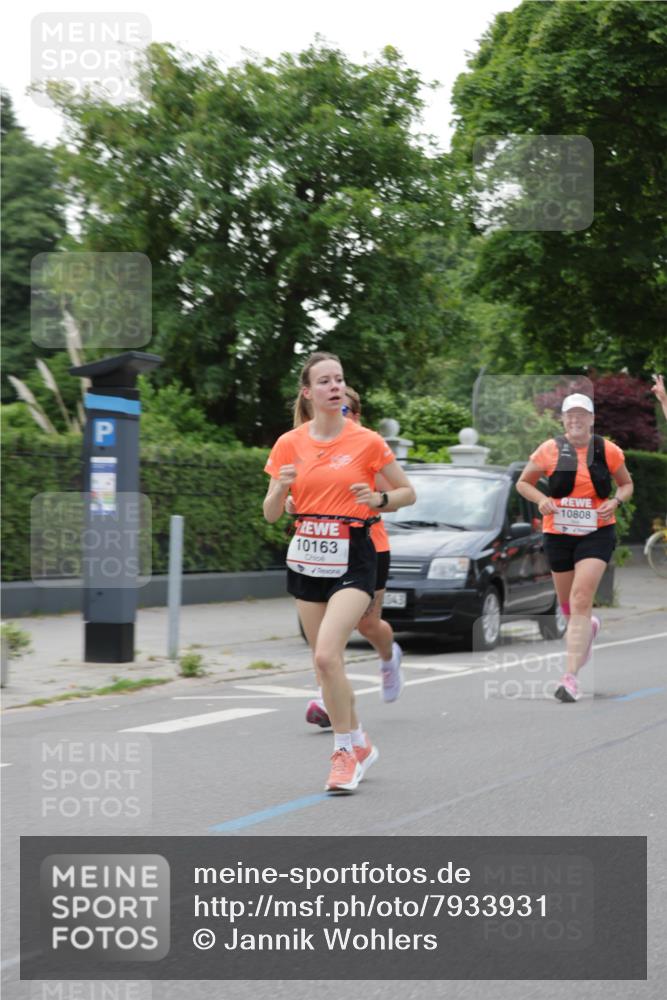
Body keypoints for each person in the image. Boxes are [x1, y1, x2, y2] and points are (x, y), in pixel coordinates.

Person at [263, 353, 416, 792]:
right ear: (308, 392)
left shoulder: (367, 441)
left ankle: (344, 751)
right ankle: (360, 742)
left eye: (340, 379)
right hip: (308, 556)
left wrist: (379, 500)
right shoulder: (288, 443)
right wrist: (277, 489)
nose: (334, 386)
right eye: (324, 381)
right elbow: (272, 515)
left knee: (329, 655)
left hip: (355, 554)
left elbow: (407, 491)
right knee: (325, 666)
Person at [288, 386, 404, 728]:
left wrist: (375, 496)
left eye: (346, 411)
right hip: (319, 551)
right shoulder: (304, 445)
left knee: (367, 624)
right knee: (325, 636)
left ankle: (388, 655)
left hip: (368, 547)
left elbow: (396, 490)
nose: (338, 416)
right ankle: (328, 697)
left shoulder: (367, 447)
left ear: (355, 416)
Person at [516, 393, 634, 703]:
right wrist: (541, 500)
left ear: (592, 419)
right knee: (569, 606)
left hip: (596, 532)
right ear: (563, 419)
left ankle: (570, 678)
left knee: (582, 597)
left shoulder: (607, 450)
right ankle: (588, 628)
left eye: (582, 414)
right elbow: (523, 483)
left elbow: (626, 484)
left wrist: (616, 501)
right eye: (570, 415)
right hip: (558, 533)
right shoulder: (549, 450)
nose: (575, 420)